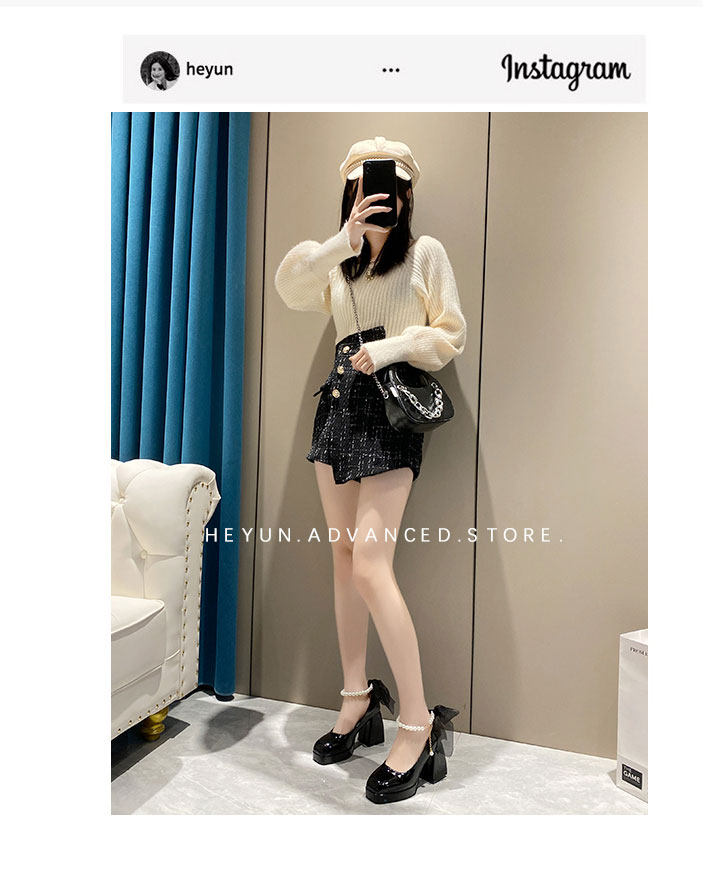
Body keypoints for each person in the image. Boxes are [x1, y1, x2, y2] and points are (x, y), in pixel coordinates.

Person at [274, 136, 466, 804]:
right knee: (342, 558)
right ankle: (356, 698)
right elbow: (289, 287)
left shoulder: (425, 253)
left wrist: (389, 348)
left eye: (387, 188)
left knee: (370, 565)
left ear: (407, 194)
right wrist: (341, 240)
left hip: (391, 409)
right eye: (361, 188)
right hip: (337, 405)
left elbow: (450, 332)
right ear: (349, 194)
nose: (376, 198)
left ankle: (417, 722)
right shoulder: (341, 261)